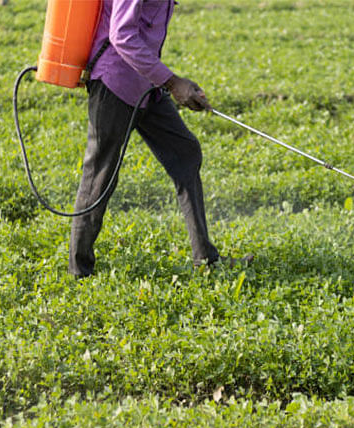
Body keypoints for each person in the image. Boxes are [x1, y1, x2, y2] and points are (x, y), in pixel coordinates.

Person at [69, 0, 250, 277]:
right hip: (115, 83)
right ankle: (79, 272)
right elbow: (122, 35)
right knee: (99, 176)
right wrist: (174, 82)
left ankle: (207, 260)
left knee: (185, 153)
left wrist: (166, 81)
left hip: (146, 85)